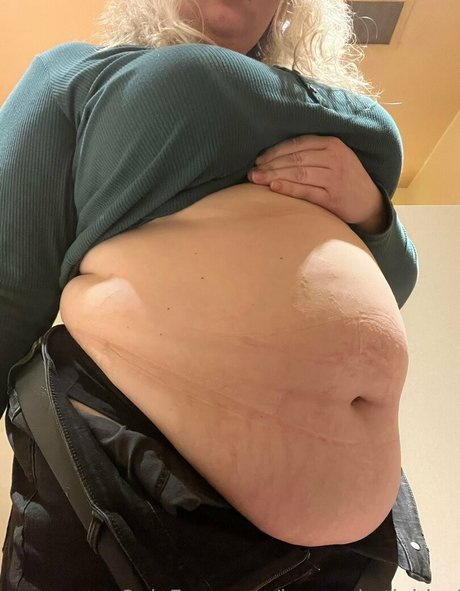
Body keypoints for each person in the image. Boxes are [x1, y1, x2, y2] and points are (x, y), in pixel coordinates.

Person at [0, 0, 432, 589]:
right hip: (129, 482)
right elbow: (8, 286)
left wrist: (372, 210)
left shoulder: (327, 103)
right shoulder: (82, 73)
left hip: (348, 551)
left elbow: (395, 283)